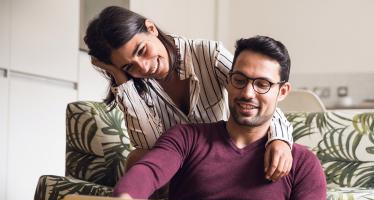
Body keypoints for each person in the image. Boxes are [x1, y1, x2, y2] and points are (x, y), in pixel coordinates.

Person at [114, 35, 328, 200]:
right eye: (240, 80)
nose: (247, 93)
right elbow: (149, 170)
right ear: (228, 81)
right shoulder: (187, 137)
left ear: (283, 91)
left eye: (262, 84)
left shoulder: (302, 163)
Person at [84, 6, 293, 181]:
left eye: (142, 51)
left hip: (222, 154)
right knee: (138, 158)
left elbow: (255, 93)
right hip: (177, 164)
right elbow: (149, 147)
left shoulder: (208, 55)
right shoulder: (136, 84)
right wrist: (121, 78)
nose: (144, 67)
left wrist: (280, 140)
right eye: (129, 66)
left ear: (151, 28)